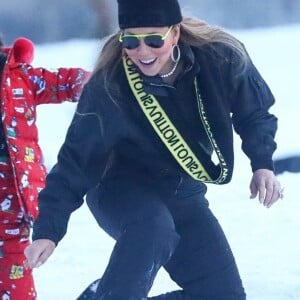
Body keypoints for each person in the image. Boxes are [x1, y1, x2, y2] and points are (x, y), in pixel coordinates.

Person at [24, 0, 283, 299]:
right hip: (118, 188)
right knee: (154, 227)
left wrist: (262, 162)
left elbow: (255, 111)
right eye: (131, 41)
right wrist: (49, 230)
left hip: (181, 189)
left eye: (154, 40)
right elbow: (75, 161)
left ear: (175, 34)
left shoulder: (220, 56)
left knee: (222, 295)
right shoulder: (109, 84)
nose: (143, 52)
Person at [0, 36, 89, 299]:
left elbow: (66, 82)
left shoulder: (20, 77)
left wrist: (111, 80)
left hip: (13, 206)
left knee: (17, 285)